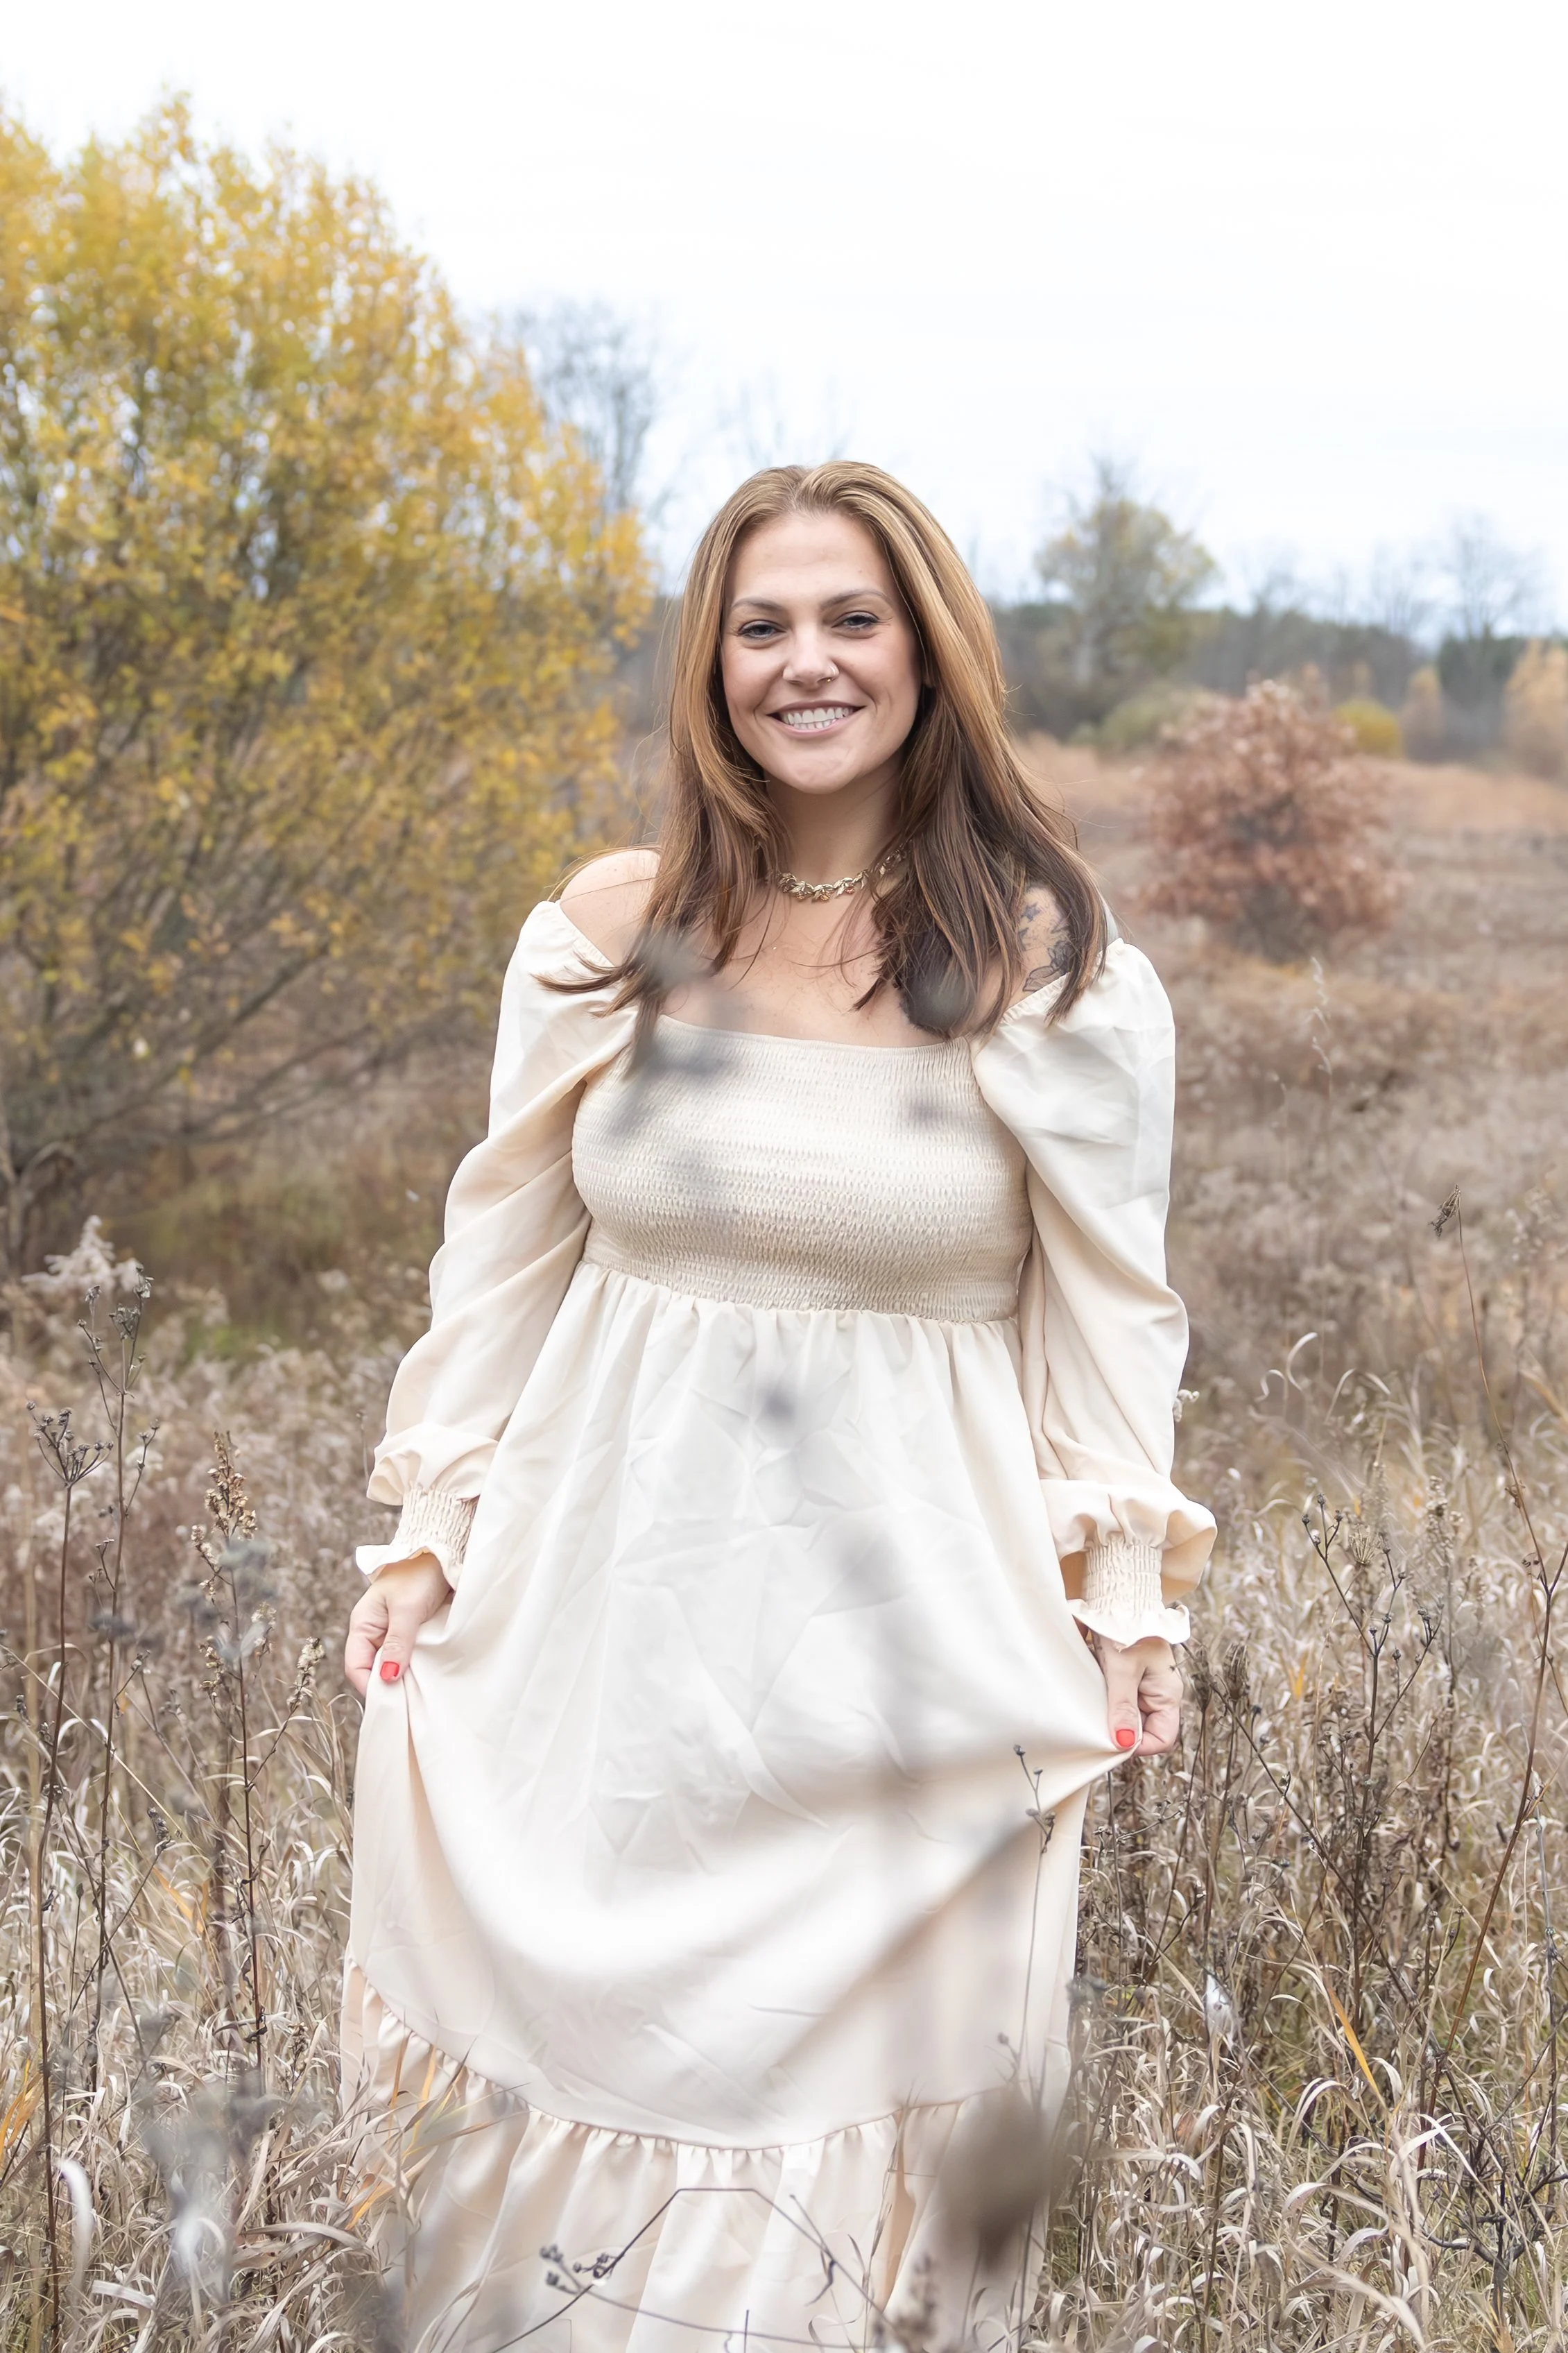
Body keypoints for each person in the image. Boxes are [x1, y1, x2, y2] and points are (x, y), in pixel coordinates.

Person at [341, 461, 1214, 2351]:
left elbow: (1105, 1310)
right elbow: (499, 1255)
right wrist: (429, 1531)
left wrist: (1128, 1591)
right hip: (611, 1612)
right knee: (588, 2083)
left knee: (835, 2135)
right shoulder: (609, 932)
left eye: (847, 619)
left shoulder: (1045, 969)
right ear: (706, 667)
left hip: (897, 1637)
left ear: (926, 653)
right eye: (759, 626)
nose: (801, 663)